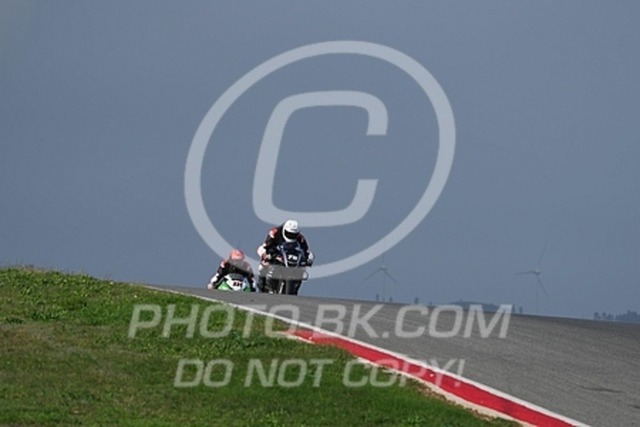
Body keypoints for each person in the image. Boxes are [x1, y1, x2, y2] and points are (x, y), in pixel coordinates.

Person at [256, 219, 314, 292]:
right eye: (289, 234)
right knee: (262, 266)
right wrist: (267, 255)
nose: (291, 236)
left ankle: (295, 287)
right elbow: (266, 246)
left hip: (292, 258)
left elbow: (306, 250)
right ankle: (262, 287)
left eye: (293, 234)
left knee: (302, 269)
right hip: (276, 254)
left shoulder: (300, 238)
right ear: (284, 230)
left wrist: (309, 258)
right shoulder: (274, 233)